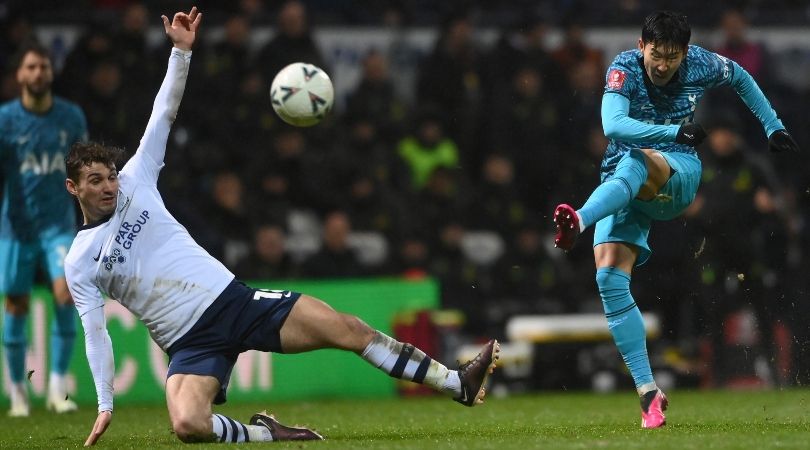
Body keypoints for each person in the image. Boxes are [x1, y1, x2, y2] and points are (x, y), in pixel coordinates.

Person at [63, 8, 499, 446]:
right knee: (188, 426)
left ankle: (456, 383)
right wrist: (104, 404)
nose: (108, 187)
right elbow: (95, 333)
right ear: (73, 188)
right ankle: (268, 434)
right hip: (188, 343)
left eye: (111, 176)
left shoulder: (137, 180)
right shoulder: (80, 260)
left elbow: (163, 114)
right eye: (96, 181)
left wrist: (181, 52)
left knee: (350, 330)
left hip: (235, 301)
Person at [551, 11, 799, 429]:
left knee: (637, 160)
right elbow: (613, 124)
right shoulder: (622, 69)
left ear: (684, 51)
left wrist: (772, 126)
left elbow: (740, 76)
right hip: (625, 181)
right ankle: (649, 394)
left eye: (671, 56)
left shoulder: (701, 63)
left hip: (678, 175)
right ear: (640, 45)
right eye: (656, 55)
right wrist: (673, 131)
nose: (663, 65)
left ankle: (580, 217)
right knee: (609, 278)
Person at [1, 40, 88, 417]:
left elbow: (83, 169)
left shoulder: (70, 117)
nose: (39, 73)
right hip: (16, 229)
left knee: (65, 294)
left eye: (44, 67)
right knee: (16, 305)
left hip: (58, 226)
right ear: (20, 74)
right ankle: (19, 392)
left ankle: (56, 388)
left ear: (51, 73)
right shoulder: (5, 120)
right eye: (32, 67)